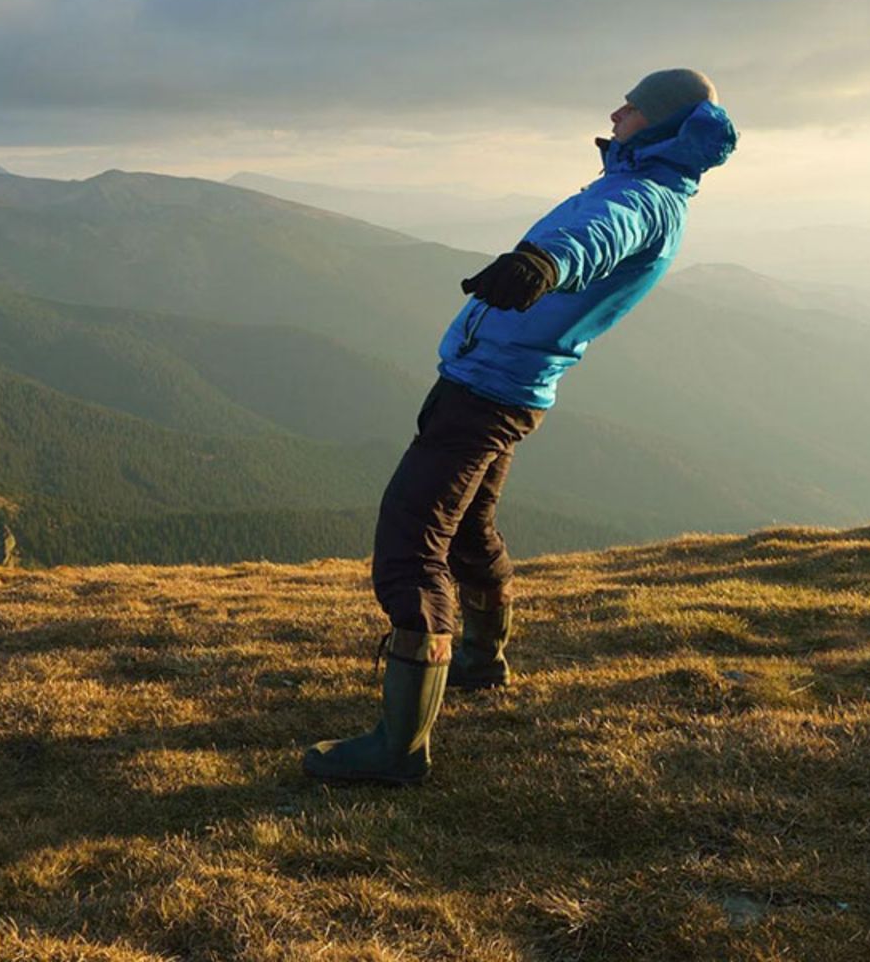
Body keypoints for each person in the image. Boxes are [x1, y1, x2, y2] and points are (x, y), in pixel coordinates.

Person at [303, 68, 739, 785]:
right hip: (510, 384)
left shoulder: (643, 195)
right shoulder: (651, 184)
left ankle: (398, 749)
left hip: (489, 389)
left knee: (412, 545)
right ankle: (482, 661)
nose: (616, 112)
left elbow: (601, 234)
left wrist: (545, 260)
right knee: (470, 530)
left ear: (659, 122)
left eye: (631, 105)